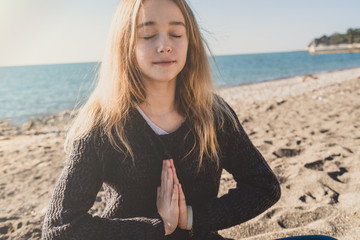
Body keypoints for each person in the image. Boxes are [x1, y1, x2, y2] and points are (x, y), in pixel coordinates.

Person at [41, 0, 335, 239]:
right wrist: (159, 228)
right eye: (148, 35)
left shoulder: (213, 114)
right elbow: (59, 227)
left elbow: (263, 187)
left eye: (176, 34)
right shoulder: (102, 124)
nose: (164, 45)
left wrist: (190, 218)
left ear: (189, 42)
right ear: (125, 45)